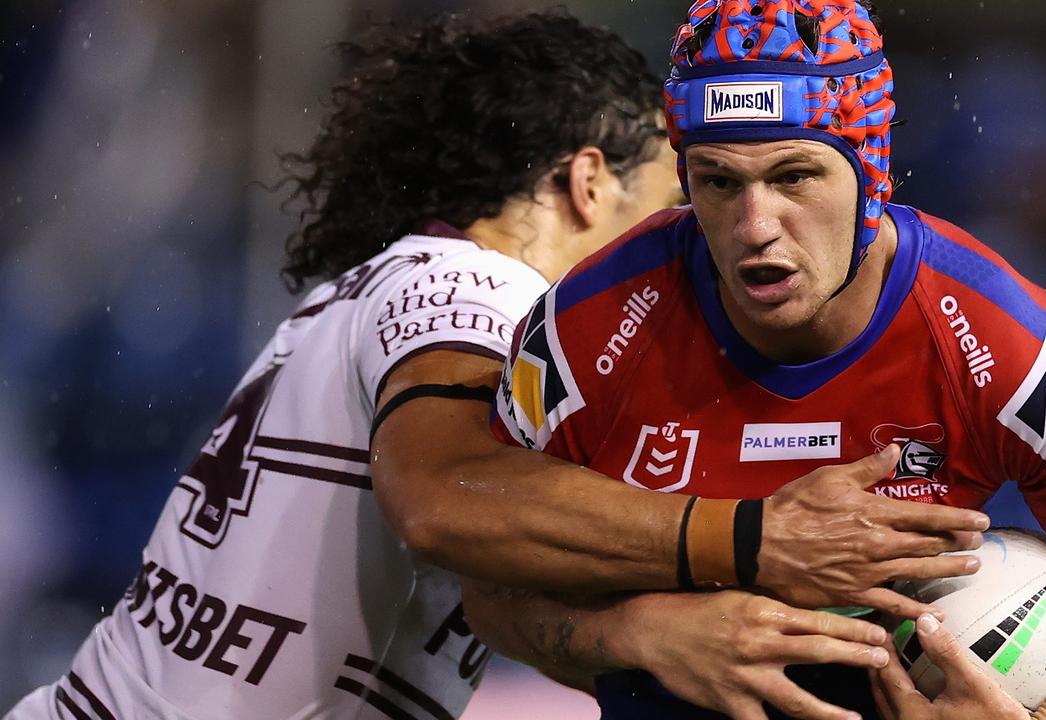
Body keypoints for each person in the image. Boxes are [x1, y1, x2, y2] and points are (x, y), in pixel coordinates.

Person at [7, 8, 993, 720]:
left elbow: (514, 576)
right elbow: (443, 499)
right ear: (587, 182)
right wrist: (751, 540)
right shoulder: (481, 295)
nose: (708, 230)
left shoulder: (377, 290)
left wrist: (641, 637)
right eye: (683, 184)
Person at [477, 1, 1046, 719]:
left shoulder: (1005, 342)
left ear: (872, 175)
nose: (755, 227)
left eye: (794, 177)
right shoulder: (583, 335)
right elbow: (489, 589)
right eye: (718, 181)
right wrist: (638, 635)